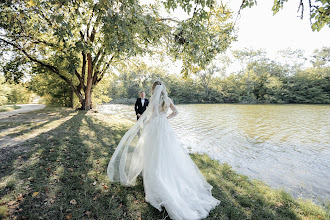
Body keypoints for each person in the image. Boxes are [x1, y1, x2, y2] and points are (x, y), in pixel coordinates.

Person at [107, 81, 219, 220]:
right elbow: (176, 112)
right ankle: (167, 173)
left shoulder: (154, 100)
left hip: (155, 126)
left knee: (152, 151)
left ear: (154, 89)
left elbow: (151, 116)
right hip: (165, 126)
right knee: (167, 151)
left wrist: (146, 123)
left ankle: (155, 176)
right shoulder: (168, 99)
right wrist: (166, 117)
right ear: (164, 89)